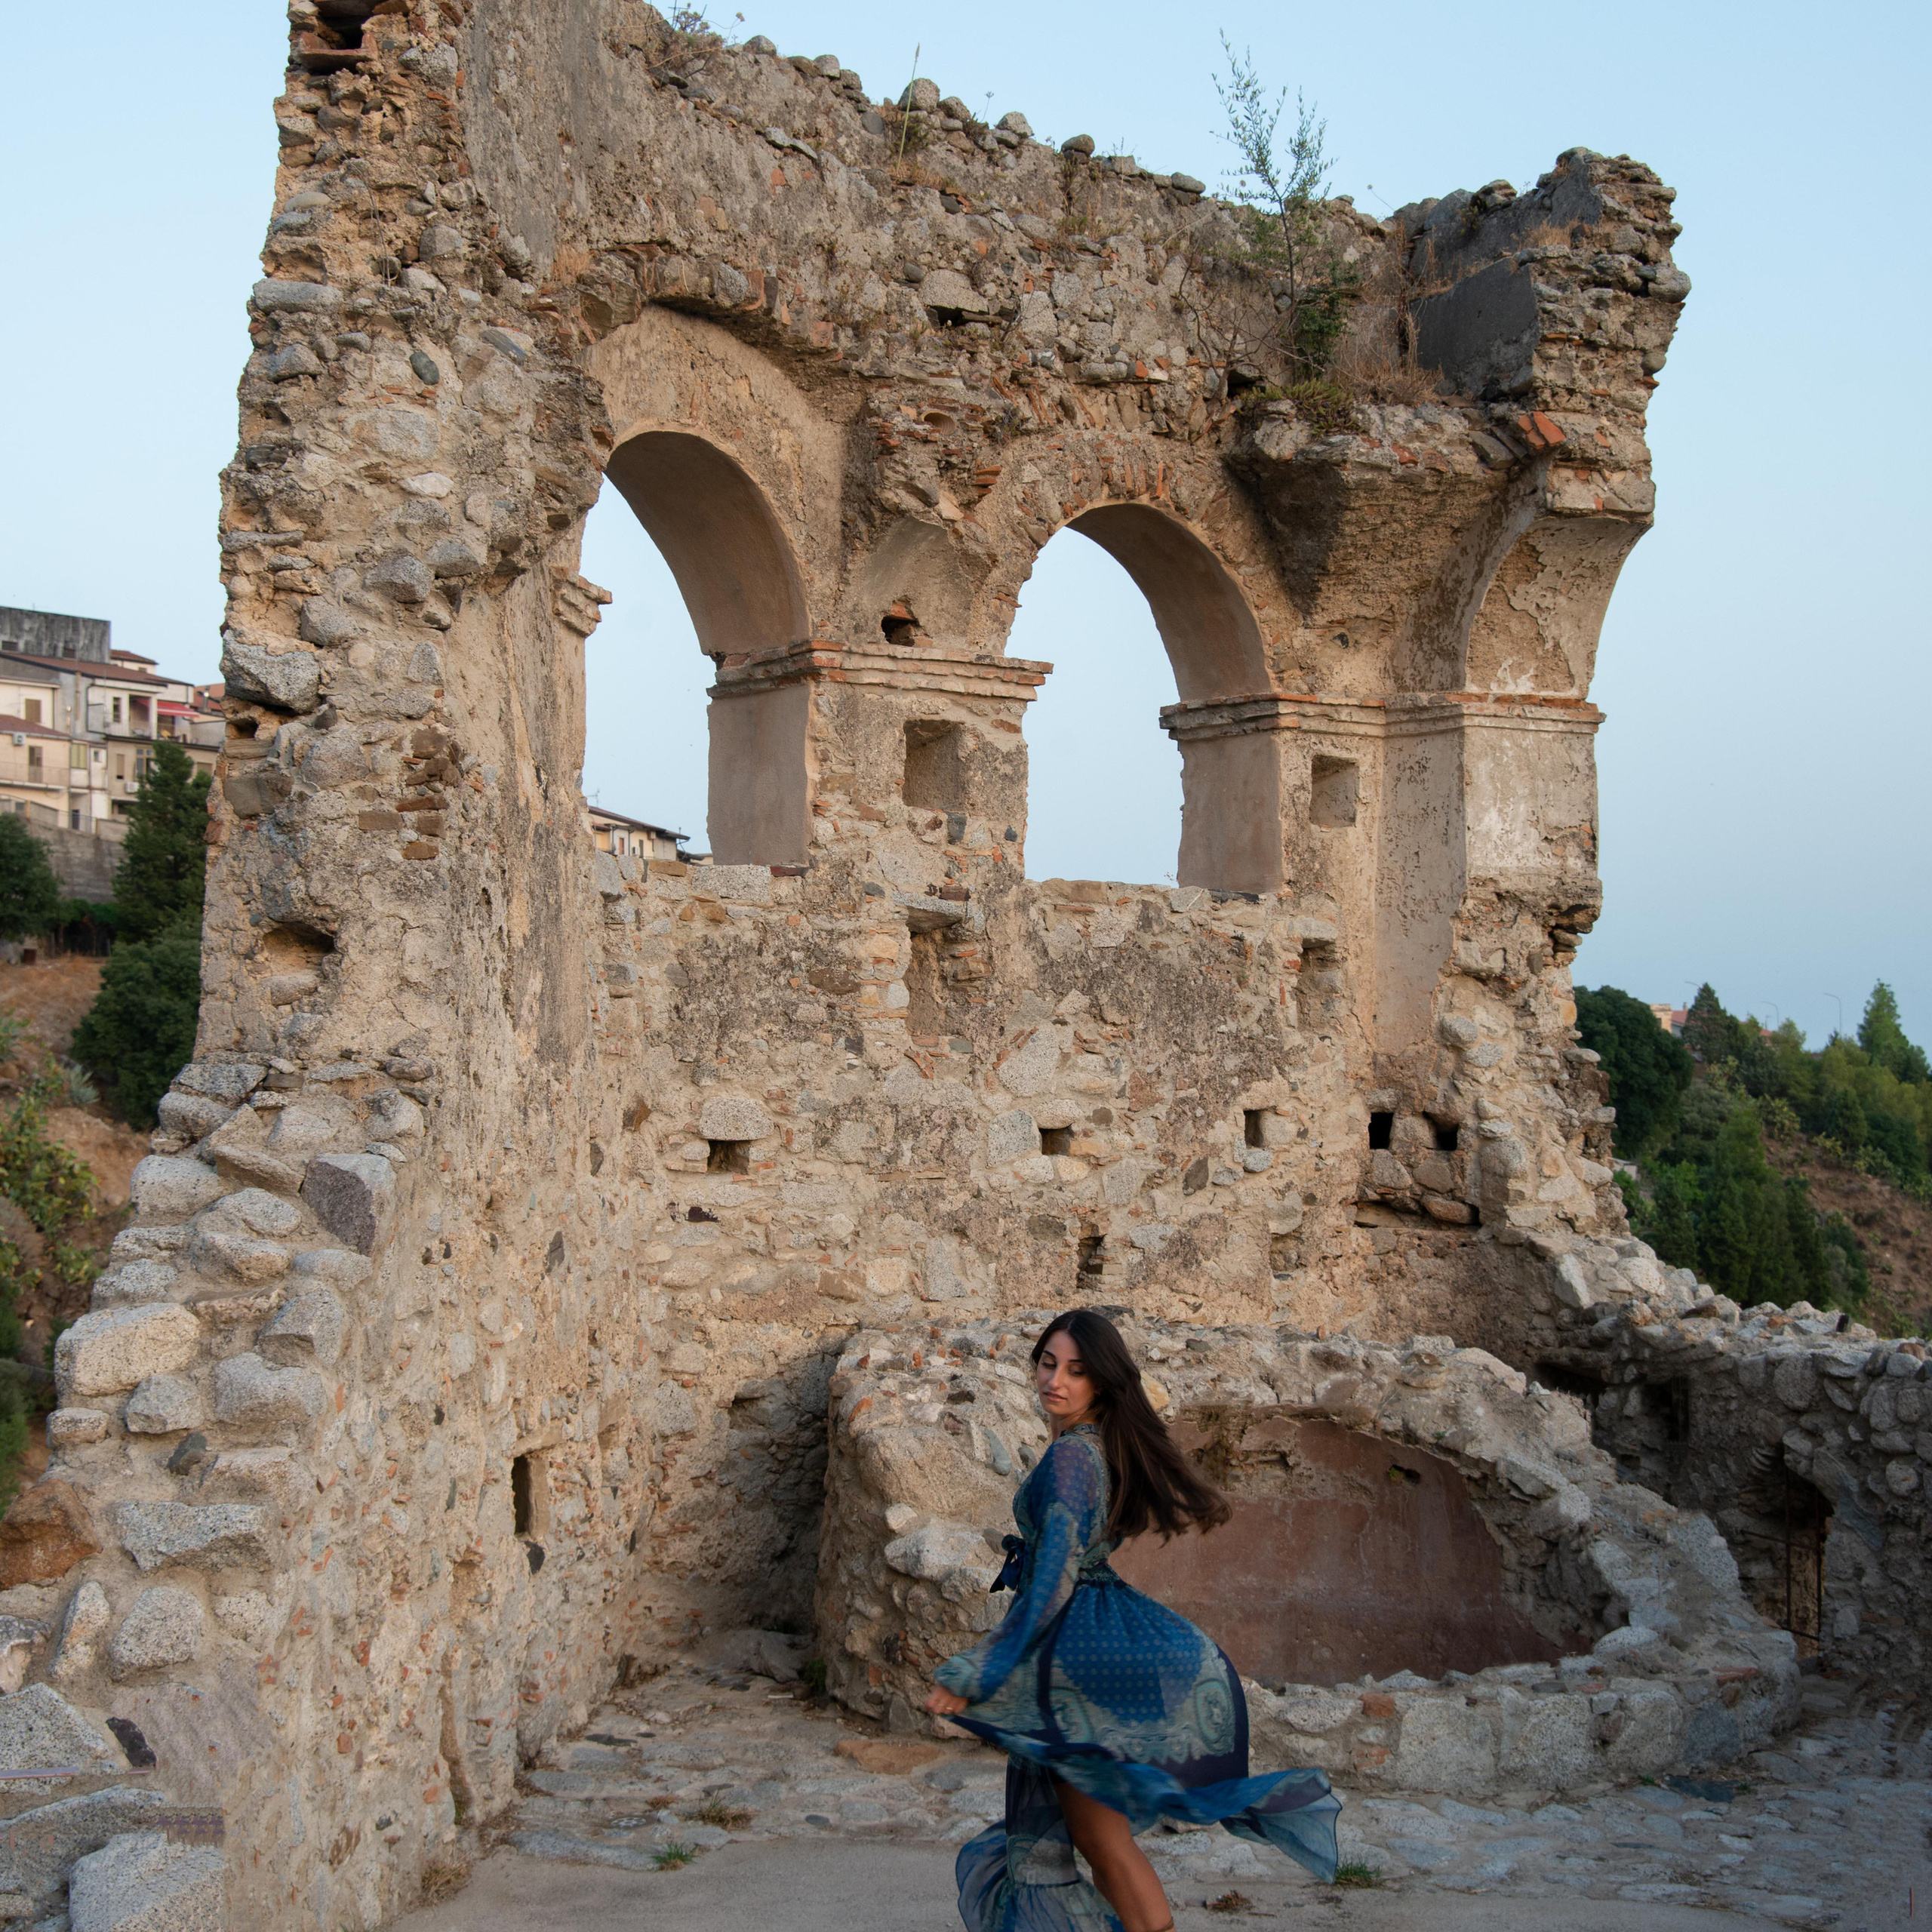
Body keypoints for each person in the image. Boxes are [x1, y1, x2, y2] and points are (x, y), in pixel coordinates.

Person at [925, 1308, 1340, 1932]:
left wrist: (974, 1671)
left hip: (1084, 1659)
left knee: (1104, 1844)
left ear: (1103, 1382)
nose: (1055, 1381)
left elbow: (1054, 1580)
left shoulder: (1073, 1457)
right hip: (1087, 1648)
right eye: (1047, 1363)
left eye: (1076, 1371)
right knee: (1101, 1841)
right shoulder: (1091, 1448)